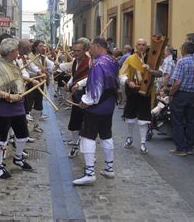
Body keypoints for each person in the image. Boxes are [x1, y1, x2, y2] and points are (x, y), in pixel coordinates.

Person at [0, 38, 32, 179]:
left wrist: (29, 81)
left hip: (19, 106)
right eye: (16, 50)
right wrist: (8, 96)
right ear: (11, 52)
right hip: (4, 108)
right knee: (1, 137)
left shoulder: (14, 63)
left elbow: (18, 77)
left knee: (22, 134)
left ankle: (18, 158)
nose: (18, 52)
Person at [73, 37, 119, 186]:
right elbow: (101, 79)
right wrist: (80, 84)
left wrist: (85, 102)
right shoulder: (112, 60)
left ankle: (89, 172)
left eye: (91, 47)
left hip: (97, 106)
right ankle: (109, 168)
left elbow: (97, 87)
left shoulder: (98, 63)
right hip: (109, 105)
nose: (89, 50)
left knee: (88, 136)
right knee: (106, 135)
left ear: (98, 46)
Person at [120, 38, 160, 154]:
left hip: (146, 92)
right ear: (136, 46)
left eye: (143, 44)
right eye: (139, 44)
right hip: (132, 92)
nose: (141, 47)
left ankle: (143, 143)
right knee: (130, 116)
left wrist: (151, 70)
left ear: (146, 46)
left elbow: (160, 73)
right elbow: (122, 74)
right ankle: (129, 137)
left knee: (144, 118)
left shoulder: (152, 59)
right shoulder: (130, 59)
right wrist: (128, 82)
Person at [168, 41, 194, 156]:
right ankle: (189, 147)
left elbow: (177, 82)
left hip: (181, 94)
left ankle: (180, 148)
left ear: (184, 49)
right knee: (191, 121)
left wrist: (171, 94)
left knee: (177, 121)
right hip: (193, 94)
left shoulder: (181, 61)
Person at [64, 38, 91, 158]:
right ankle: (75, 145)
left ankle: (89, 152)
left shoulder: (90, 62)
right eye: (74, 50)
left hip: (87, 96)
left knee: (87, 125)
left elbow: (91, 78)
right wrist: (69, 84)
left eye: (78, 51)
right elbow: (74, 76)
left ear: (85, 50)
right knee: (74, 123)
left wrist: (79, 85)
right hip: (76, 97)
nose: (75, 53)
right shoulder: (75, 62)